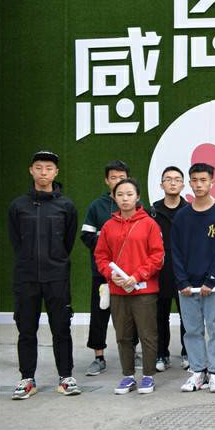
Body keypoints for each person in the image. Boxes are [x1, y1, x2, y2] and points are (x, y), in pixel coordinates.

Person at [9, 151, 80, 399]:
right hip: (26, 277)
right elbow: (16, 241)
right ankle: (27, 379)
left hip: (57, 277)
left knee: (61, 328)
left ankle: (66, 378)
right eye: (38, 167)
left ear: (56, 172)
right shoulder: (18, 206)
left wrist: (54, 261)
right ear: (31, 170)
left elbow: (68, 241)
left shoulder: (66, 206)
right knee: (26, 330)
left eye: (48, 168)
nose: (43, 172)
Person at [94, 179, 164, 395]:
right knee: (123, 335)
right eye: (120, 194)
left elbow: (157, 256)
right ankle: (128, 376)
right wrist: (111, 275)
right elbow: (101, 256)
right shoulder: (108, 226)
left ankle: (149, 376)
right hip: (118, 291)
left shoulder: (149, 224)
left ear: (137, 197)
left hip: (144, 291)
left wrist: (137, 276)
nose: (125, 198)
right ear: (114, 197)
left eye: (129, 194)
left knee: (147, 334)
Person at [172, 163, 215, 393]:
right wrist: (182, 281)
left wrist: (212, 280)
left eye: (203, 180)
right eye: (195, 180)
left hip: (213, 287)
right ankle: (197, 372)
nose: (199, 185)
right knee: (192, 330)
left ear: (211, 183)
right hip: (188, 287)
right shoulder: (182, 216)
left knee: (214, 330)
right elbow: (175, 251)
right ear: (190, 183)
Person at [82, 159, 131, 377]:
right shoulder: (96, 206)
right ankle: (98, 357)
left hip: (129, 274)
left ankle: (132, 353)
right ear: (106, 180)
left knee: (130, 316)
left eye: (122, 177)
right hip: (102, 273)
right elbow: (86, 235)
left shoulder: (136, 205)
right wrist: (109, 241)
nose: (118, 181)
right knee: (99, 315)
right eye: (113, 177)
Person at [149, 166, 189, 371]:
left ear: (183, 184)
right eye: (168, 179)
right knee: (160, 316)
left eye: (177, 179)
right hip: (159, 272)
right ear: (161, 184)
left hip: (185, 272)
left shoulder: (190, 210)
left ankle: (187, 353)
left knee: (187, 316)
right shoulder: (152, 212)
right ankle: (161, 354)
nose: (173, 183)